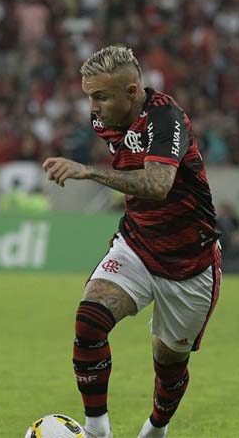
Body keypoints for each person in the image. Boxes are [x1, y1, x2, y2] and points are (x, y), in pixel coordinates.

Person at [42, 46, 222, 438]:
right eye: (89, 96)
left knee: (169, 361)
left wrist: (89, 173)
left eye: (101, 96)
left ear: (131, 90)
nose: (93, 107)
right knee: (90, 319)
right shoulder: (104, 120)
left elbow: (158, 185)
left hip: (189, 261)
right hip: (137, 244)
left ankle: (156, 429)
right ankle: (96, 431)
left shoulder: (165, 117)